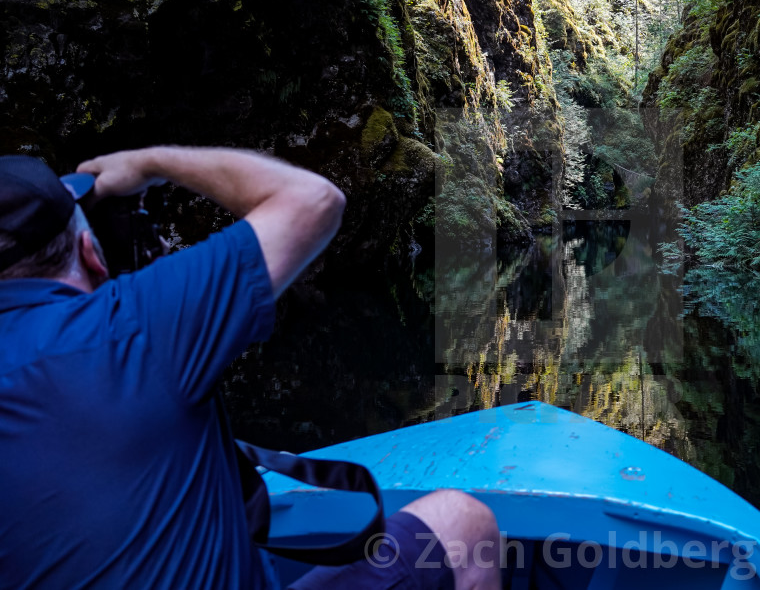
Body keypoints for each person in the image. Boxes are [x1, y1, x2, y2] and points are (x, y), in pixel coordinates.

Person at [0, 148, 500, 590]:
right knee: (464, 524)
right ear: (91, 254)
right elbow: (313, 199)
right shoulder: (133, 321)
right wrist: (149, 164)